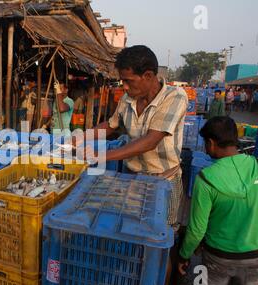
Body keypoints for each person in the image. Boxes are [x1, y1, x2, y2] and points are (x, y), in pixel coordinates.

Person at [81, 45, 188, 229]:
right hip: (132, 179)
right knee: (131, 227)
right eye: (122, 81)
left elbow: (150, 141)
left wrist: (101, 156)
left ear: (148, 75)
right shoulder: (127, 99)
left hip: (164, 181)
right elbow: (110, 125)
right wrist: (81, 138)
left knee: (162, 231)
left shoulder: (175, 96)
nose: (124, 86)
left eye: (128, 81)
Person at [178, 117, 258, 285]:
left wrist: (184, 255)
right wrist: (253, 227)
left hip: (217, 256)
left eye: (206, 144)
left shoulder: (206, 178)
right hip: (255, 256)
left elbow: (197, 230)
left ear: (211, 143)